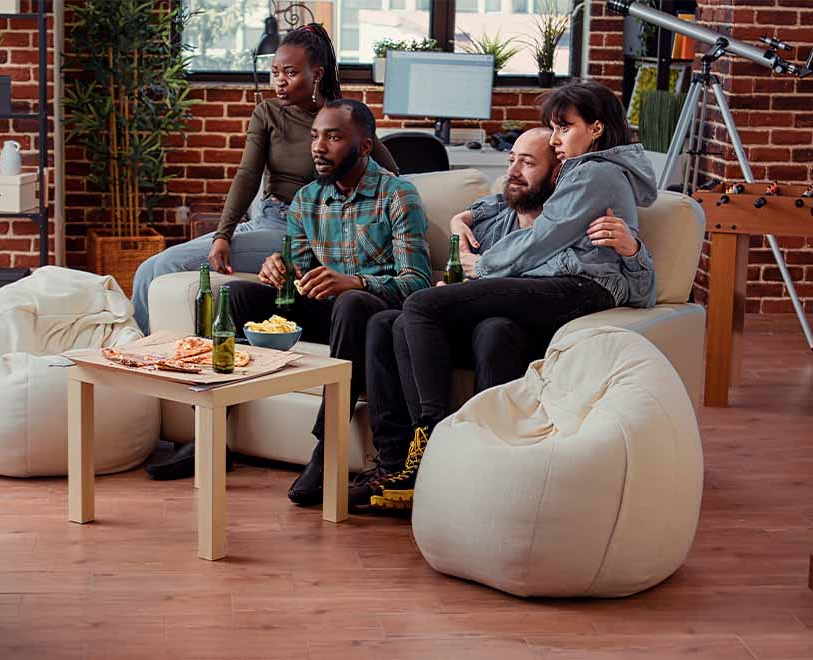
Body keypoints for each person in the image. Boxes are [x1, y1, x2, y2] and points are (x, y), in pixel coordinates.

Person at [351, 80, 659, 512]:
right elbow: (510, 207)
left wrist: (482, 267)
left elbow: (544, 237)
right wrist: (470, 217)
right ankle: (401, 464)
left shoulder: (595, 172)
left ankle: (436, 443)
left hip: (580, 289)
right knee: (400, 318)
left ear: (596, 128)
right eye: (552, 129)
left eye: (563, 128)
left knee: (420, 305)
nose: (557, 138)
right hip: (564, 287)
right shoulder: (587, 173)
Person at [226, 99, 431, 506]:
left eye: (334, 137)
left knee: (352, 302)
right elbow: (301, 270)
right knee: (240, 294)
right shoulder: (306, 199)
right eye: (316, 135)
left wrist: (353, 282)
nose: (318, 146)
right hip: (329, 311)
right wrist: (278, 266)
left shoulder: (398, 195)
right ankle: (216, 426)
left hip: (372, 310)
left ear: (365, 146)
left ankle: (326, 447)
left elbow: (417, 282)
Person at [130, 24, 398, 335]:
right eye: (275, 73)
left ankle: (159, 360)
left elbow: (391, 174)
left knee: (166, 266)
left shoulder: (343, 119)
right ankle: (139, 355)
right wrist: (222, 235)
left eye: (290, 73)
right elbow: (247, 175)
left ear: (317, 74)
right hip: (264, 218)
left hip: (300, 233)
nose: (279, 82)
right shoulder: (268, 113)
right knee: (150, 267)